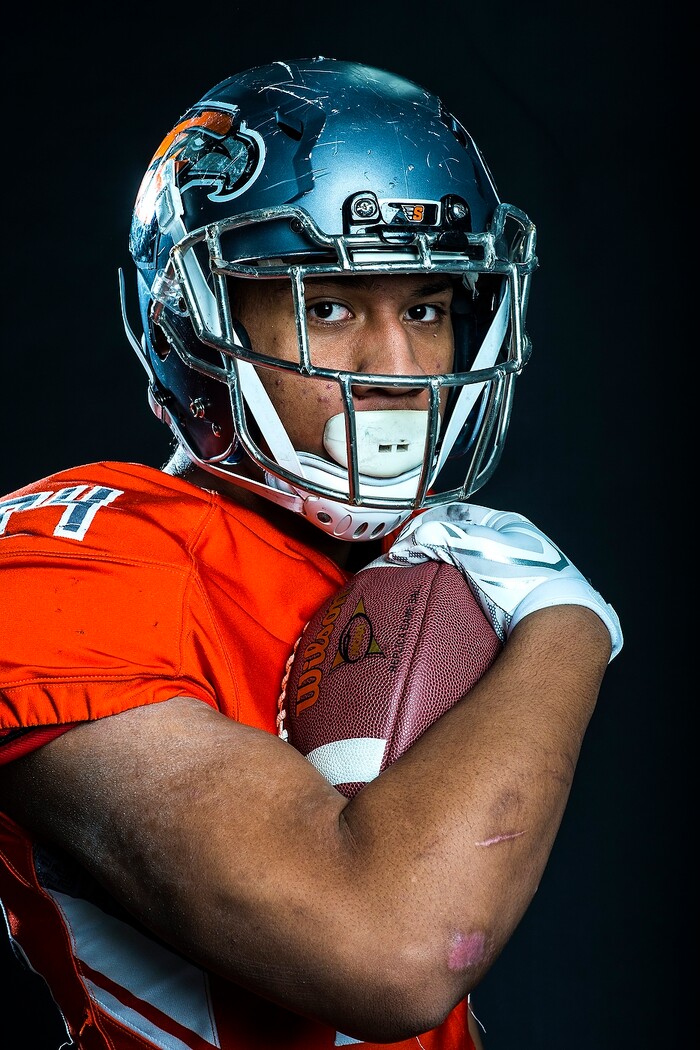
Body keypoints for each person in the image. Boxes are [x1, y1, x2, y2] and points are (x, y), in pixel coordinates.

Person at [0, 57, 622, 1050]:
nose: (397, 370)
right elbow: (396, 954)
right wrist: (566, 624)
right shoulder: (70, 559)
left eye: (425, 309)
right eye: (327, 305)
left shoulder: (415, 568)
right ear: (189, 318)